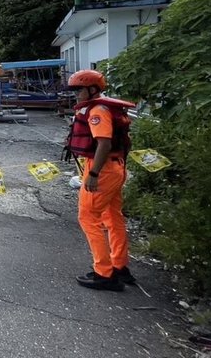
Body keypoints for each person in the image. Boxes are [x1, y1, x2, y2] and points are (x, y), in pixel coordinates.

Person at [66, 69, 136, 292]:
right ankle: (119, 266)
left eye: (79, 89)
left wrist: (94, 174)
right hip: (115, 167)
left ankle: (104, 274)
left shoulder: (98, 111)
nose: (76, 94)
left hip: (103, 169)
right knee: (112, 216)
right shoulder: (108, 108)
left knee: (88, 216)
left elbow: (104, 143)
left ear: (92, 89)